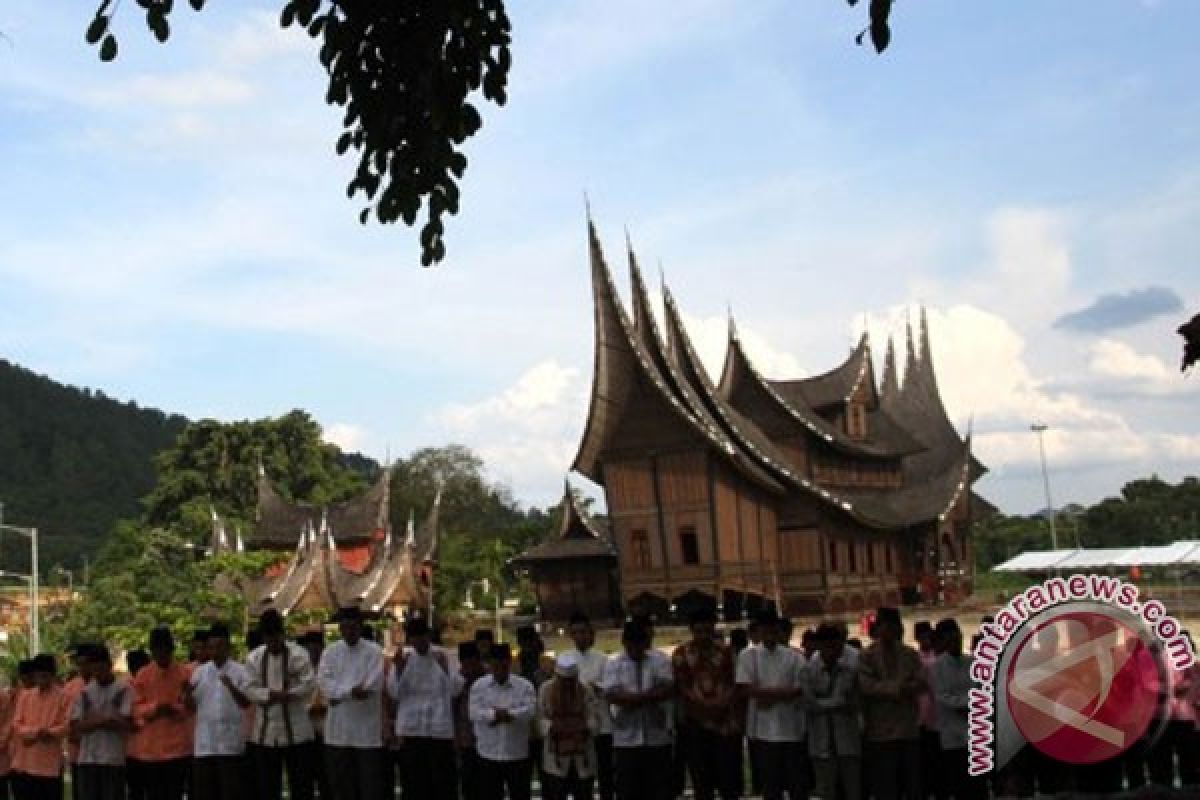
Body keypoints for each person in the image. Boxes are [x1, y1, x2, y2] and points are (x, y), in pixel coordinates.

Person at [244, 610, 317, 800]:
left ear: (282, 634)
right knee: (267, 788)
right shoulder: (254, 658)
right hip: (265, 734)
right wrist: (269, 694)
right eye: (268, 638)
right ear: (263, 637)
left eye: (276, 637)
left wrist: (290, 694)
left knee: (301, 786)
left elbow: (309, 684)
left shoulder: (298, 655)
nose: (273, 642)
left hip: (297, 732)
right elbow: (248, 688)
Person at [736, 609, 807, 800]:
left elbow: (800, 689)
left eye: (772, 629)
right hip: (762, 730)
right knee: (770, 785)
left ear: (779, 630)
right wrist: (781, 693)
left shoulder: (795, 657)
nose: (769, 633)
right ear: (758, 631)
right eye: (764, 629)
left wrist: (767, 694)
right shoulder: (748, 656)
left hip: (792, 728)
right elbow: (745, 688)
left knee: (797, 784)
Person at [315, 606, 385, 800]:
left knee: (369, 786)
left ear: (360, 627)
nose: (348, 632)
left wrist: (340, 694)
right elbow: (324, 684)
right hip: (338, 732)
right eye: (344, 628)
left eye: (353, 627)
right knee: (341, 786)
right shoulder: (330, 652)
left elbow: (373, 684)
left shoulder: (374, 651)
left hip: (366, 733)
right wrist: (349, 691)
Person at [389, 617, 462, 800]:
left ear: (428, 636)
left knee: (443, 784)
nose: (418, 642)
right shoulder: (404, 658)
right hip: (412, 732)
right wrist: (399, 670)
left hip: (439, 732)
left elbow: (456, 689)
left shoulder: (444, 655)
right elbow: (394, 693)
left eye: (421, 637)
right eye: (413, 638)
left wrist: (445, 669)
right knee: (414, 785)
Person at [672, 607, 741, 800]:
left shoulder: (726, 652)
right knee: (702, 783)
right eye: (699, 631)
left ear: (713, 628)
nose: (703, 636)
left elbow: (735, 683)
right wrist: (706, 706)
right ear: (692, 630)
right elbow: (682, 687)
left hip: (724, 724)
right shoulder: (681, 653)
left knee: (729, 782)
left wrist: (721, 704)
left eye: (707, 630)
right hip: (695, 724)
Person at [601, 619, 674, 800]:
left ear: (645, 643)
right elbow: (611, 694)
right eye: (631, 645)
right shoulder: (614, 663)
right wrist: (645, 697)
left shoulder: (659, 660)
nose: (636, 650)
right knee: (628, 790)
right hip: (626, 740)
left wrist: (634, 698)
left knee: (659, 789)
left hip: (657, 737)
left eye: (640, 645)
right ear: (624, 643)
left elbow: (668, 688)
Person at [858, 607, 924, 800]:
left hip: (908, 729)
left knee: (912, 785)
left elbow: (920, 683)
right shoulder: (867, 656)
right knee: (886, 787)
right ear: (877, 629)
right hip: (880, 732)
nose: (887, 631)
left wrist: (890, 689)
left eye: (892, 627)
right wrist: (899, 689)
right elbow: (867, 687)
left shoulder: (910, 654)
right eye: (883, 627)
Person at [184, 623, 251, 800]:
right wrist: (186, 694)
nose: (215, 651)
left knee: (231, 792)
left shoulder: (241, 671)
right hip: (205, 745)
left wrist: (231, 686)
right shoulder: (199, 672)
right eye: (211, 647)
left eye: (219, 646)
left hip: (230, 745)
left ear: (228, 647)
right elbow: (190, 708)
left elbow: (245, 703)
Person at [131, 627, 193, 800]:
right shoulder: (143, 675)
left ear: (171, 650)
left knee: (175, 793)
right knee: (154, 794)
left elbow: (190, 707)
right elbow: (135, 708)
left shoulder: (185, 673)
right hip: (151, 749)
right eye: (157, 651)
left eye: (165, 651)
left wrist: (174, 708)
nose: (161, 655)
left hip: (178, 748)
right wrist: (155, 708)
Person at [469, 644, 537, 800]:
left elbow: (530, 711)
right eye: (495, 664)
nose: (499, 668)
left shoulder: (524, 686)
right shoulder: (479, 686)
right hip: (488, 754)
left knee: (520, 794)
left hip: (517, 754)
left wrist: (507, 714)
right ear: (490, 664)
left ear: (510, 662)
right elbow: (474, 713)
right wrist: (495, 715)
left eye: (503, 664)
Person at [803, 623, 860, 800]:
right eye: (828, 647)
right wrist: (836, 702)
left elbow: (853, 702)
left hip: (848, 740)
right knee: (826, 790)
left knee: (853, 790)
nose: (832, 652)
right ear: (819, 646)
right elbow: (809, 704)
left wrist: (824, 703)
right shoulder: (808, 671)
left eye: (836, 647)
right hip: (821, 741)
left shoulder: (850, 670)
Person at [562, 612, 615, 800]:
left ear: (591, 633)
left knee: (606, 773)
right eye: (575, 633)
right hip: (577, 726)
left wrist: (595, 687)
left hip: (602, 725)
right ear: (570, 635)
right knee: (581, 777)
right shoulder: (565, 658)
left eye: (583, 632)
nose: (580, 636)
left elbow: (610, 688)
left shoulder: (604, 659)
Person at [70, 645, 133, 800]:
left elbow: (126, 723)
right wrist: (104, 721)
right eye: (95, 670)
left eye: (101, 669)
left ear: (109, 666)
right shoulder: (85, 692)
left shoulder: (123, 690)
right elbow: (76, 726)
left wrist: (96, 721)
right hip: (87, 758)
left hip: (113, 759)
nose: (98, 674)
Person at [930, 619, 983, 800]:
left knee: (978, 784)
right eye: (951, 639)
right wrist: (966, 704)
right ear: (944, 642)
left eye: (958, 638)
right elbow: (942, 696)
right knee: (959, 783)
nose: (956, 642)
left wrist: (972, 705)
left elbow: (980, 688)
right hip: (952, 733)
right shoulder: (937, 666)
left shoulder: (972, 661)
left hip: (975, 730)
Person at [538, 652, 602, 800]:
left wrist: (583, 727)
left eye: (571, 680)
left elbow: (594, 719)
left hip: (582, 755)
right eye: (564, 680)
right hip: (555, 757)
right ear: (557, 677)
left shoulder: (585, 689)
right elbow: (540, 718)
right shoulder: (545, 689)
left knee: (584, 794)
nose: (567, 684)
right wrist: (554, 727)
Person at [11, 654, 69, 800]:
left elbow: (68, 724)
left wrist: (50, 733)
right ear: (34, 675)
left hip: (50, 765)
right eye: (39, 674)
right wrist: (36, 732)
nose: (42, 678)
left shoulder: (63, 696)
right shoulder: (25, 696)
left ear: (52, 675)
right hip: (25, 763)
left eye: (45, 675)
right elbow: (17, 724)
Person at [296, 630, 332, 800]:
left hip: (326, 731)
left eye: (317, 648)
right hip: (305, 732)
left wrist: (322, 705)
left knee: (327, 778)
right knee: (305, 779)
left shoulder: (329, 668)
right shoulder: (299, 671)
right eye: (309, 649)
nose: (313, 652)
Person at [454, 642, 488, 800]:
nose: (469, 667)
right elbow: (452, 709)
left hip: (488, 739)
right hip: (466, 739)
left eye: (473, 662)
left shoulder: (488, 677)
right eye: (465, 663)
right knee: (468, 783)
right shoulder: (457, 679)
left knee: (488, 784)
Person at [123, 649, 151, 800]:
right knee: (135, 791)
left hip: (153, 749)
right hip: (131, 750)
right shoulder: (125, 686)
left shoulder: (151, 681)